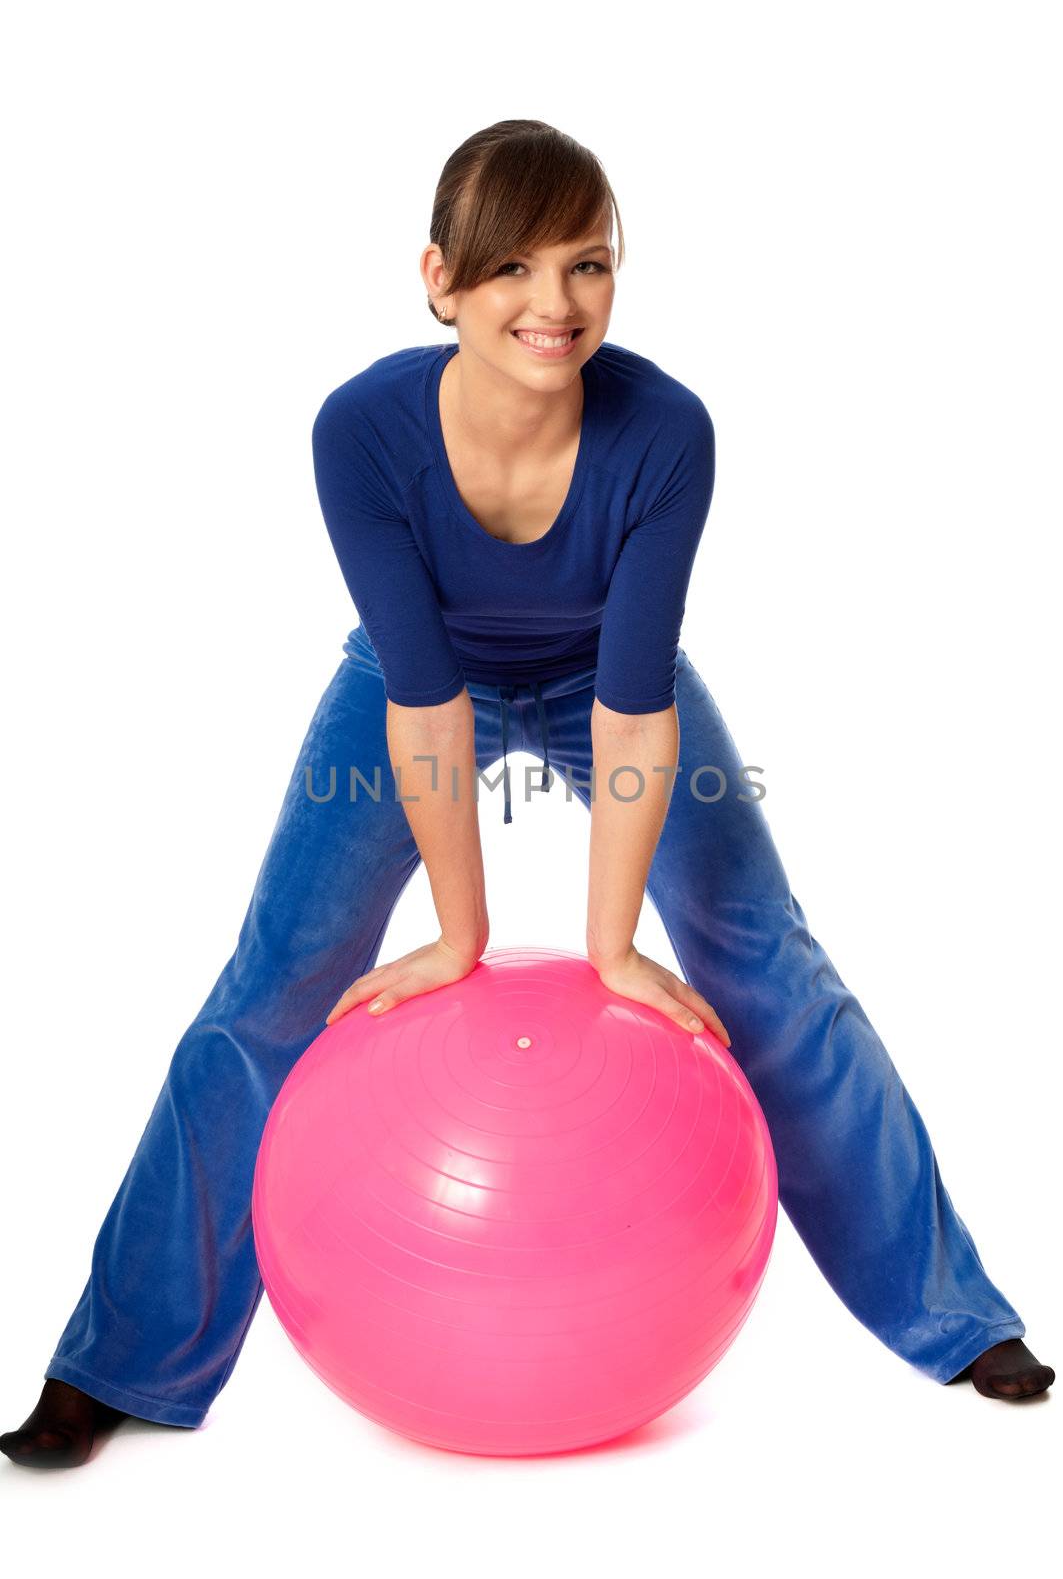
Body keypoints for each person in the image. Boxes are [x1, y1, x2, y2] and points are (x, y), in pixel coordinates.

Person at [2, 119, 1052, 1472]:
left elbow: (632, 703)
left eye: (588, 265)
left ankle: (953, 1318)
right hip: (412, 678)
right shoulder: (363, 429)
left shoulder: (664, 431)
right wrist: (462, 935)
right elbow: (426, 700)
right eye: (510, 269)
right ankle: (121, 1368)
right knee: (272, 981)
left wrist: (614, 952)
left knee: (766, 961)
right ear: (440, 279)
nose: (553, 305)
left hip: (602, 675)